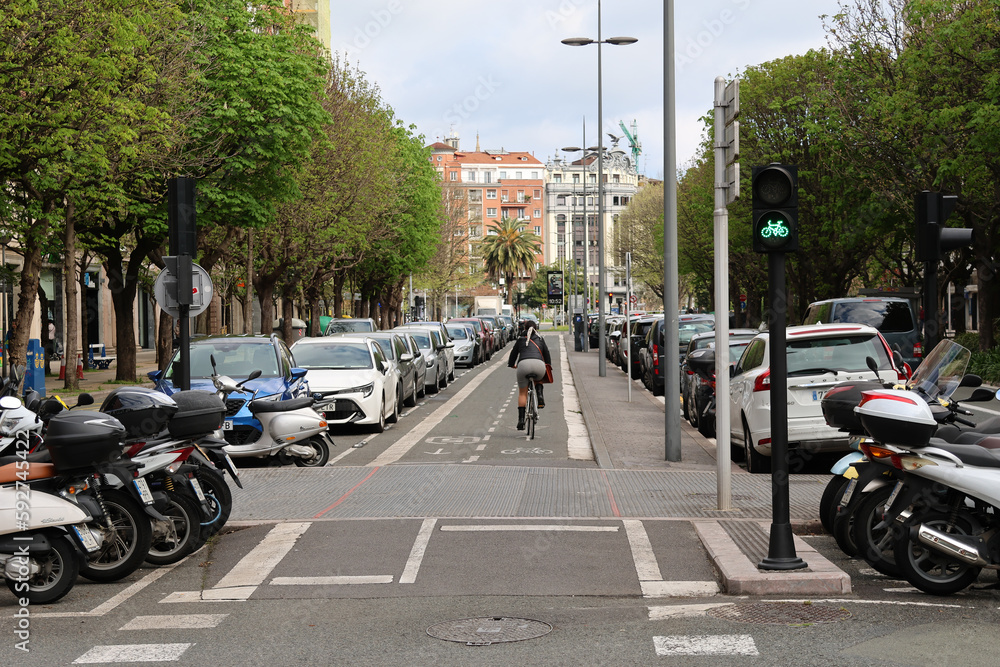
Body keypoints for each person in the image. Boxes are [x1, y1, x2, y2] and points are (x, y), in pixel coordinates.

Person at [507, 319, 551, 430]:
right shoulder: (541, 339)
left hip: (523, 365)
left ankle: (521, 420)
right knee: (539, 378)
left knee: (523, 393)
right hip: (539, 365)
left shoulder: (521, 339)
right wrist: (548, 365)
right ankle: (540, 395)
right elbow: (547, 354)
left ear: (525, 329)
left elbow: (513, 354)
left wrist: (512, 364)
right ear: (536, 329)